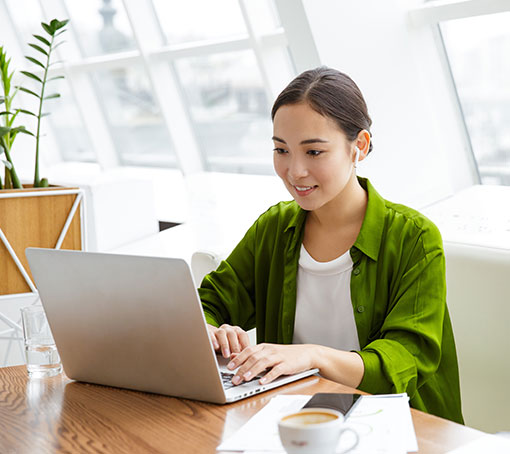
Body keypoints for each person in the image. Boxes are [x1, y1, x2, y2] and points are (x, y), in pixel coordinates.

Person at [198, 66, 464, 424]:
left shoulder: (414, 238)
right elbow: (208, 303)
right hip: (293, 421)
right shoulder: (274, 228)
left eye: (314, 152)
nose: (294, 172)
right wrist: (215, 332)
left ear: (360, 147)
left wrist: (313, 356)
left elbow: (405, 358)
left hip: (401, 425)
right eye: (281, 150)